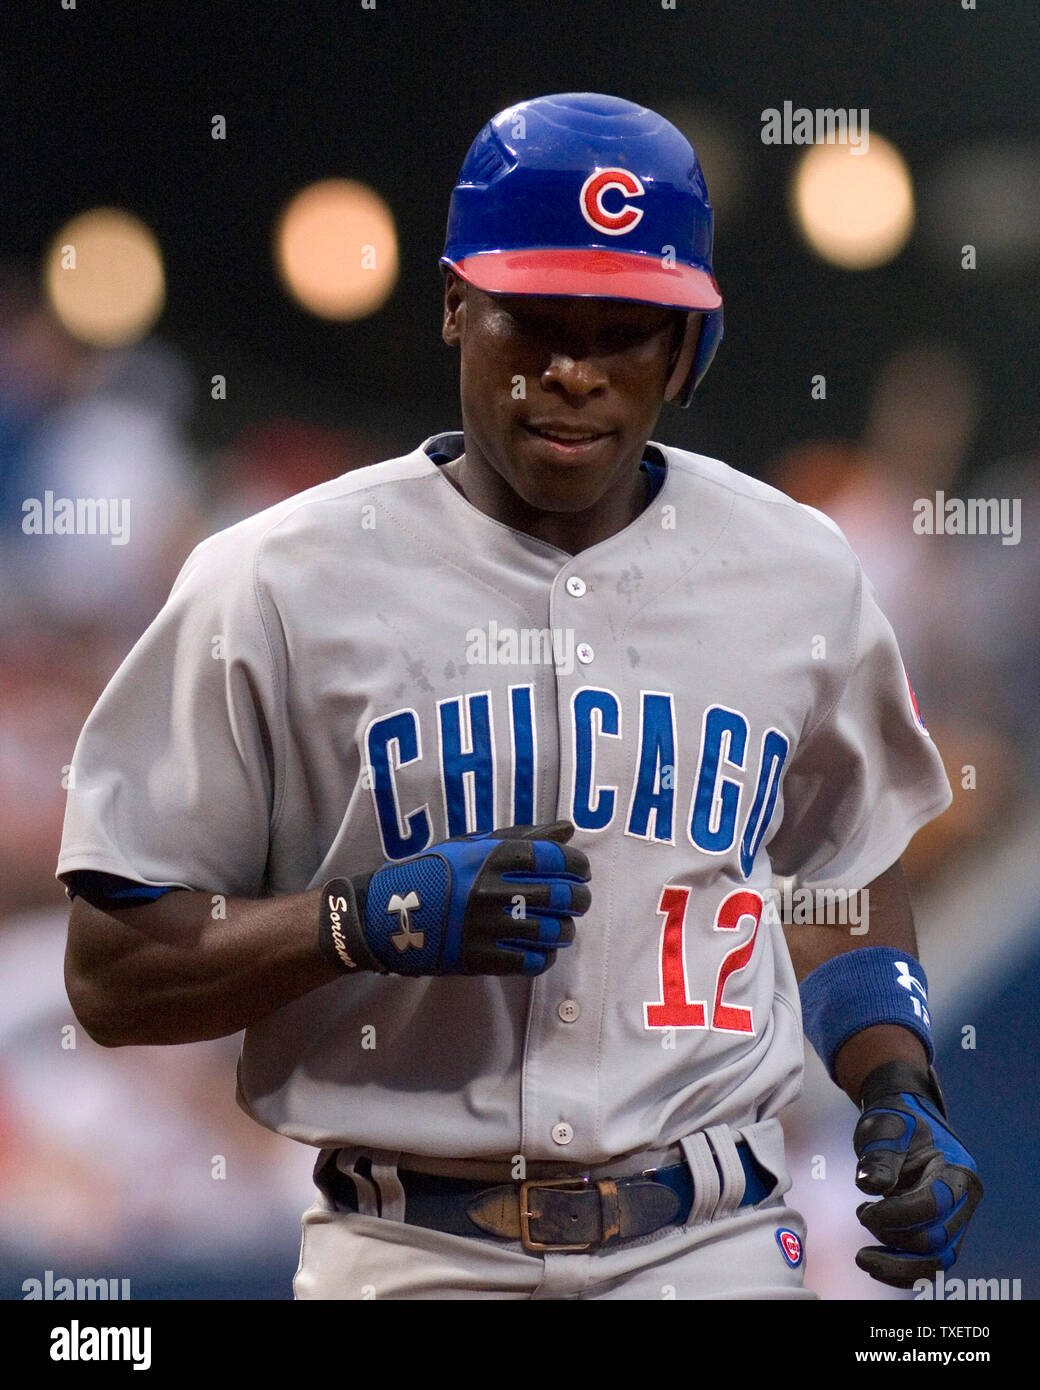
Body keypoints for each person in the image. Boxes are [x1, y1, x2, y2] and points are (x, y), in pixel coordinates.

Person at [59, 92, 981, 1301]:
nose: (572, 372)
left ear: (688, 348)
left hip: (714, 1240)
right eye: (532, 319)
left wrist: (894, 1078)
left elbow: (842, 867)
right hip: (408, 1247)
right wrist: (355, 921)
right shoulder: (274, 580)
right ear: (454, 305)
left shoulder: (793, 568)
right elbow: (112, 970)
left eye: (624, 330)